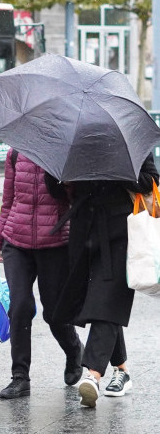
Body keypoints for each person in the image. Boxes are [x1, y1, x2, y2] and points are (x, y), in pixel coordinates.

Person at [53, 153, 159, 408]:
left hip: (122, 234)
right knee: (98, 301)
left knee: (109, 301)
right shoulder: (78, 145)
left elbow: (151, 180)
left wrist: (118, 169)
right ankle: (121, 370)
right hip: (84, 234)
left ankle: (93, 376)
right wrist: (60, 177)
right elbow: (57, 190)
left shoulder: (130, 144)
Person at [0, 148, 84, 400]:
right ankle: (20, 377)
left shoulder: (64, 154)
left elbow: (76, 200)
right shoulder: (15, 154)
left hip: (53, 243)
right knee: (19, 306)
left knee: (54, 313)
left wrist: (66, 183)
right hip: (16, 241)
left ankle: (74, 350)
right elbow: (8, 201)